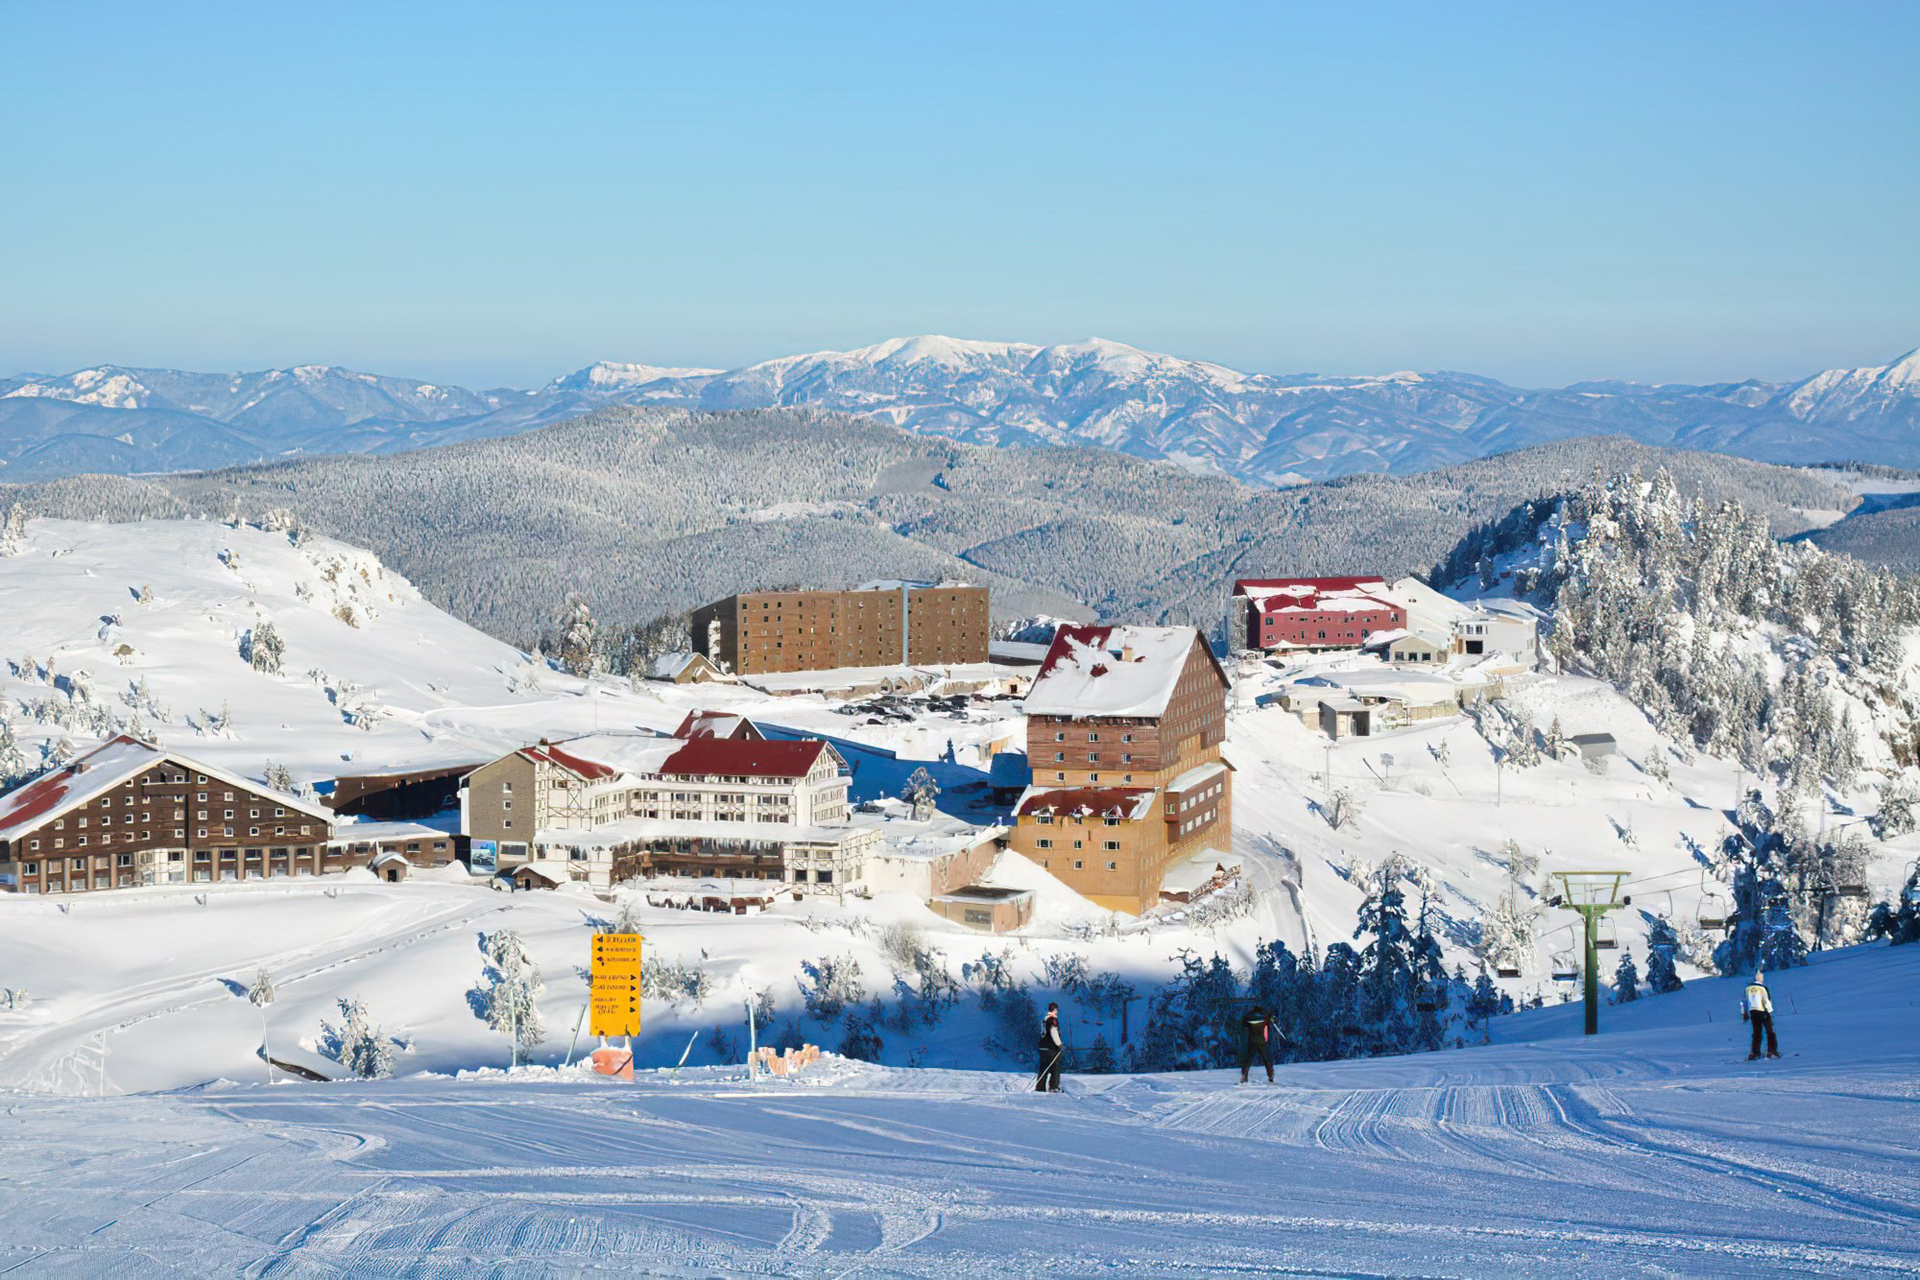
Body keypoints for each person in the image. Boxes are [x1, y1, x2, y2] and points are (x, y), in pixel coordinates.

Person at [1743, 971, 1779, 1060]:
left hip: (1752, 1012)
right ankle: (1772, 1051)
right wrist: (1770, 1012)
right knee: (1770, 1031)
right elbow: (1766, 1000)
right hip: (1763, 1011)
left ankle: (1754, 1053)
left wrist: (1744, 1013)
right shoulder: (1762, 988)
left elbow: (1744, 1002)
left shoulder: (1747, 988)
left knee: (1756, 1033)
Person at [1239, 1003, 1276, 1084]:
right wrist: (1272, 1017)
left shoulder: (1249, 1016)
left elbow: (1243, 1024)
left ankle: (1244, 1076)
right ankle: (1270, 1075)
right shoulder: (1265, 1017)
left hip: (1252, 1040)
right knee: (1266, 1058)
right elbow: (1272, 1022)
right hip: (1262, 1041)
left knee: (1248, 1059)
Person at [1035, 1001, 1064, 1092]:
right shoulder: (1052, 1020)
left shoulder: (1044, 1020)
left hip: (1042, 1047)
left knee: (1043, 1068)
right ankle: (1053, 1087)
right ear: (1054, 1009)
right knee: (1055, 1067)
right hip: (1051, 1047)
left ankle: (1040, 1087)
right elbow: (1053, 1032)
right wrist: (1059, 1044)